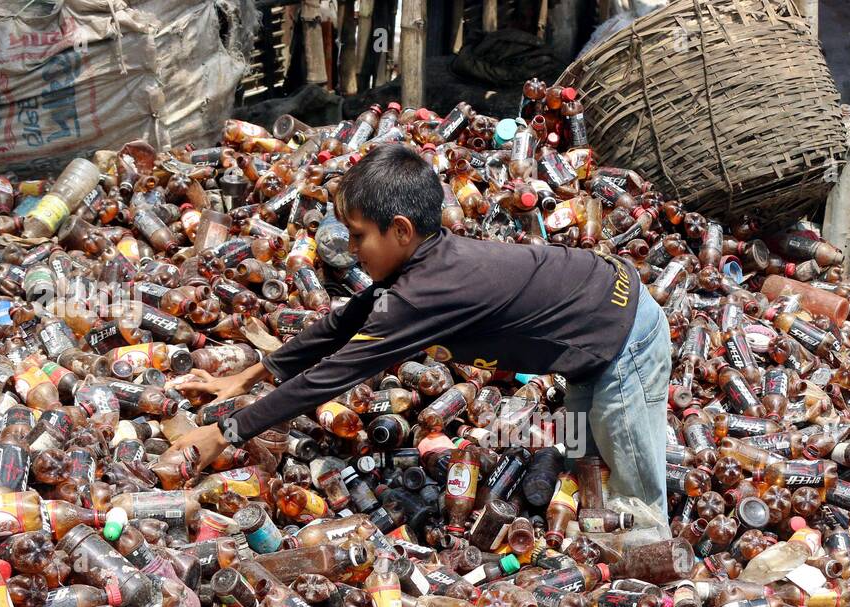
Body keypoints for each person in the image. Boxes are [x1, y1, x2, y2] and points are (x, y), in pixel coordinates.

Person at [167, 143, 672, 529]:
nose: (351, 250)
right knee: (589, 473)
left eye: (359, 235)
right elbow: (344, 322)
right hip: (592, 332)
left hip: (625, 342)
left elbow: (330, 377)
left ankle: (657, 578)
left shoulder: (421, 297)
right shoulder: (428, 261)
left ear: (402, 230)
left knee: (636, 502)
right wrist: (249, 375)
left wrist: (223, 434)